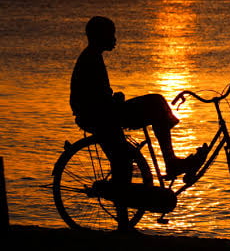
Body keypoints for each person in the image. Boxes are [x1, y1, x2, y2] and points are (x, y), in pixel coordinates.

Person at [70, 16, 206, 230]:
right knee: (153, 107)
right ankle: (170, 164)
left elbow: (96, 95)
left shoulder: (92, 57)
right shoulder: (90, 59)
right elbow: (93, 100)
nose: (115, 39)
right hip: (102, 117)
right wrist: (114, 100)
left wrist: (113, 99)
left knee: (153, 108)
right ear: (99, 36)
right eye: (111, 34)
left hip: (103, 113)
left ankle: (169, 164)